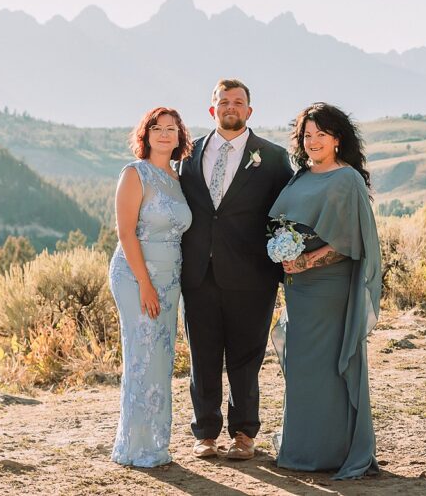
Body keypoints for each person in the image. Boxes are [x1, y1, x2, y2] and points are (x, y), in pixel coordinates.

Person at [178, 78, 293, 460]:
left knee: (246, 359)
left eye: (238, 102)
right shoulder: (188, 153)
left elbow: (287, 211)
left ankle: (244, 434)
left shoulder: (273, 158)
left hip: (252, 276)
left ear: (249, 111)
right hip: (198, 274)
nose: (231, 107)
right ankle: (205, 433)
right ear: (213, 110)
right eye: (223, 101)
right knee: (203, 357)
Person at [269, 102, 381, 480]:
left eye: (321, 134)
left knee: (329, 367)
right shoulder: (300, 177)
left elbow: (352, 241)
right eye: (307, 134)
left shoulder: (347, 179)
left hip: (329, 290)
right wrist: (283, 249)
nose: (313, 141)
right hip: (298, 290)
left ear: (337, 139)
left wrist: (306, 261)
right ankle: (300, 448)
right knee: (300, 368)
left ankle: (332, 451)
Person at [109, 106, 193, 467]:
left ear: (179, 137)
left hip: (170, 278)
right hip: (135, 275)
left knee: (160, 359)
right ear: (146, 135)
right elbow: (126, 233)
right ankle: (136, 447)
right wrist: (144, 283)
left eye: (171, 129)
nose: (163, 134)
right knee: (142, 356)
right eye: (156, 128)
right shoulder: (135, 174)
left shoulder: (179, 179)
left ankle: (156, 443)